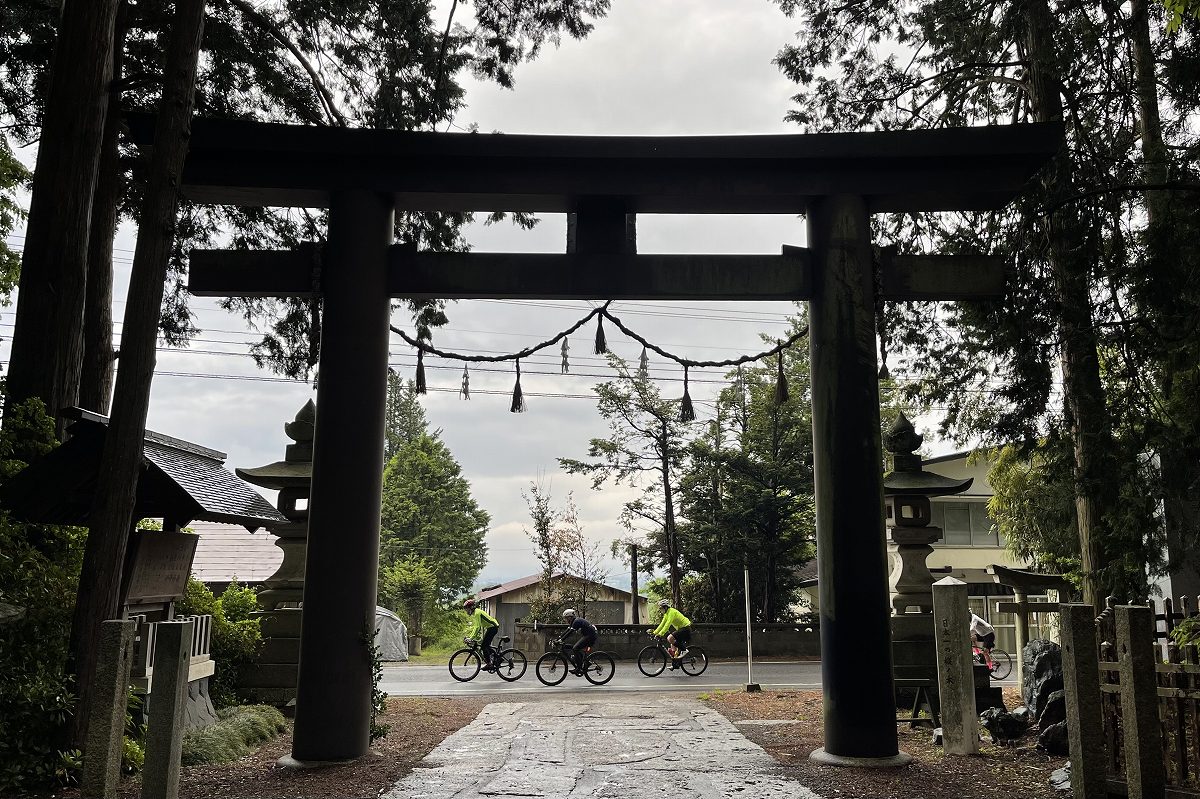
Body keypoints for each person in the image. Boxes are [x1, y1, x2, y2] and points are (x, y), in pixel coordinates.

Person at [463, 598, 500, 670]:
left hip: (493, 627)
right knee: (485, 646)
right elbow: (475, 627)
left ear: (471, 607)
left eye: (467, 609)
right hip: (490, 628)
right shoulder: (475, 613)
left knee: (484, 646)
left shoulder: (477, 613)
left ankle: (489, 664)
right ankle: (497, 658)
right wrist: (471, 637)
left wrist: (471, 638)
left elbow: (478, 627)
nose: (466, 611)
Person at [652, 598, 692, 663]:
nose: (660, 610)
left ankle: (684, 650)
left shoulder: (671, 612)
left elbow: (667, 624)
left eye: (661, 608)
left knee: (670, 638)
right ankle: (675, 663)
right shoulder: (666, 614)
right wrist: (655, 633)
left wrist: (660, 634)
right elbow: (662, 624)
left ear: (665, 607)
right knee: (673, 645)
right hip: (681, 628)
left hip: (686, 628)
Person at [559, 608, 598, 675]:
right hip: (587, 635)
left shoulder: (576, 621)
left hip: (590, 636)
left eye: (566, 618)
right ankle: (585, 662)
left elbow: (570, 632)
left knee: (575, 648)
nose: (566, 620)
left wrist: (561, 640)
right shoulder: (573, 622)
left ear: (570, 617)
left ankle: (579, 668)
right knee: (575, 648)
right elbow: (567, 631)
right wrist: (559, 638)